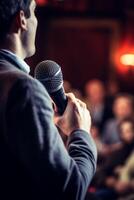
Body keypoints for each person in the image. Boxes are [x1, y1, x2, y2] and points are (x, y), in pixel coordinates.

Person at [0, 0, 97, 200]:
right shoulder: (23, 88)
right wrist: (80, 132)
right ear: (21, 20)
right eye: (34, 13)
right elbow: (71, 189)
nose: (37, 21)